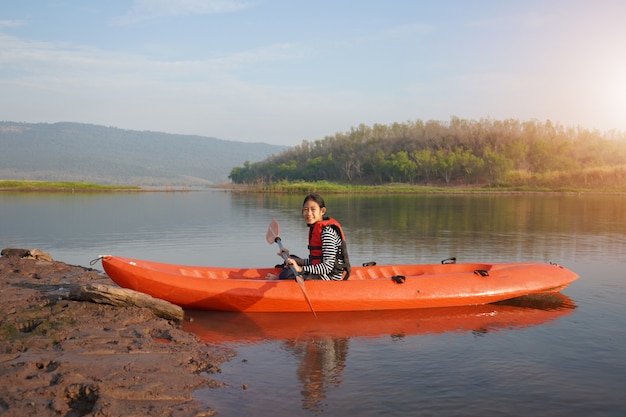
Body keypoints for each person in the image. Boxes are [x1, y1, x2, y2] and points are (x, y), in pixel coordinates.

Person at [279, 193, 351, 280]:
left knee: (286, 274)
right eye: (306, 209)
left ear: (322, 211)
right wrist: (290, 258)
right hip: (320, 271)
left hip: (329, 277)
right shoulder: (315, 228)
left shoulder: (327, 232)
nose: (309, 213)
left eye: (313, 209)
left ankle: (279, 279)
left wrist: (300, 269)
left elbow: (327, 267)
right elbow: (315, 261)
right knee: (289, 260)